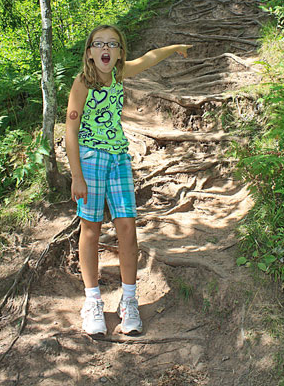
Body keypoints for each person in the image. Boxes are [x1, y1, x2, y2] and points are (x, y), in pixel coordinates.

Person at [65, 24, 191, 336]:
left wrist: (174, 47)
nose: (105, 49)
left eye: (112, 44)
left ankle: (129, 301)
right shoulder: (82, 83)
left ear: (120, 52)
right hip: (90, 159)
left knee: (126, 227)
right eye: (98, 44)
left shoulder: (120, 75)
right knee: (91, 230)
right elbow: (69, 130)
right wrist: (76, 176)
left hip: (119, 158)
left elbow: (148, 59)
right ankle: (93, 300)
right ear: (90, 52)